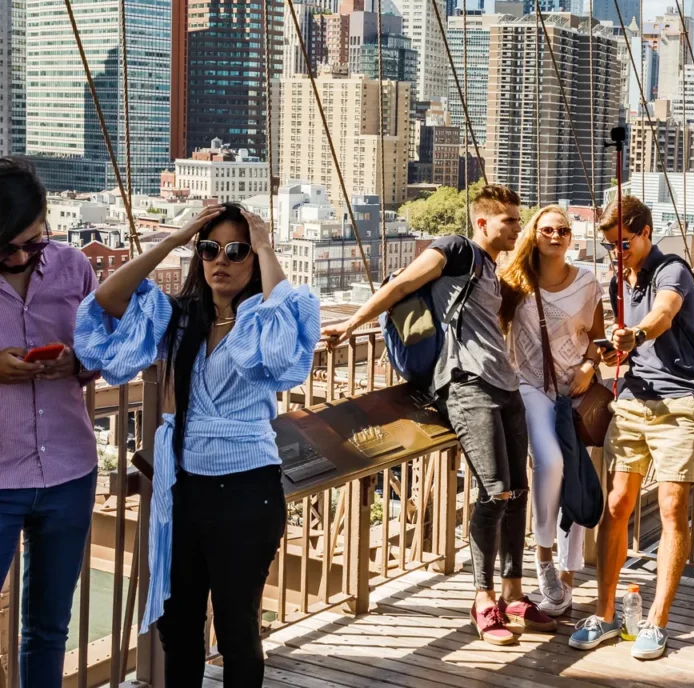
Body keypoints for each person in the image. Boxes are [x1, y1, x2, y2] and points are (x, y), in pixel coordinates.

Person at [75, 203, 320, 686]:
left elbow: (279, 355)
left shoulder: (262, 318)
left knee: (236, 629)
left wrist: (266, 246)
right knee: (178, 624)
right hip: (185, 488)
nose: (220, 261)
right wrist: (172, 240)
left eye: (236, 251)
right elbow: (106, 300)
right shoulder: (180, 319)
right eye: (210, 249)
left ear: (254, 259)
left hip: (247, 489)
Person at [322, 184, 555, 645]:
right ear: (482, 222)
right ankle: (484, 599)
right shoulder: (456, 249)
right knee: (494, 493)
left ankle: (513, 592)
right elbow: (401, 286)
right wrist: (350, 324)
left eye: (518, 218)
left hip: (506, 387)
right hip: (468, 386)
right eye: (509, 220)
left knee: (517, 492)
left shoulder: (492, 267)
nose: (518, 227)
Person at [568, 195, 694, 661]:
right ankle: (605, 615)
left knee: (671, 507)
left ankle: (657, 622)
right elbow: (627, 343)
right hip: (632, 399)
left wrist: (637, 334)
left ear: (646, 233)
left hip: (676, 403)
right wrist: (614, 349)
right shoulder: (617, 282)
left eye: (624, 244)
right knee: (617, 504)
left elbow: (663, 313)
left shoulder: (672, 269)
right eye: (610, 246)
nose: (616, 253)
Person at [0, 158, 99, 685]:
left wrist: (77, 362)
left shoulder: (74, 267)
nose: (20, 257)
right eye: (5, 249)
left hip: (68, 470)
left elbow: (103, 348)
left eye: (32, 244)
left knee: (48, 628)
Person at [497, 206, 606, 617]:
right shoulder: (514, 283)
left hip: (575, 392)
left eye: (563, 230)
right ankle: (543, 557)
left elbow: (597, 339)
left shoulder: (587, 282)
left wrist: (589, 367)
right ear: (535, 234)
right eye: (547, 230)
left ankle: (567, 577)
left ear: (571, 237)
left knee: (574, 474)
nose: (556, 236)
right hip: (531, 385)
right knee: (550, 461)